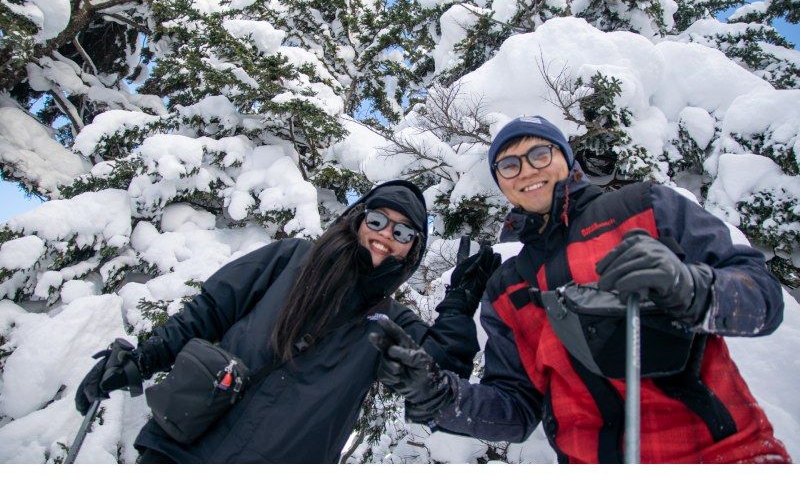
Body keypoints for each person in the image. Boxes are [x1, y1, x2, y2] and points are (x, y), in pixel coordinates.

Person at [371, 115, 791, 464]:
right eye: (510, 164)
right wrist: (439, 396)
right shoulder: (507, 287)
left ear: (566, 159)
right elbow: (516, 410)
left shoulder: (646, 207)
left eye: (540, 153)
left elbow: (764, 300)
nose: (528, 169)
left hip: (728, 456)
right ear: (501, 184)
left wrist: (694, 289)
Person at [74, 179, 484, 463]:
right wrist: (143, 359)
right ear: (359, 220)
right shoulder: (290, 258)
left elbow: (437, 380)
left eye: (403, 231)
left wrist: (458, 308)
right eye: (377, 220)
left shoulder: (390, 321)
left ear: (411, 250)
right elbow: (209, 312)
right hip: (185, 448)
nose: (385, 234)